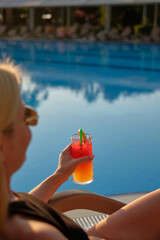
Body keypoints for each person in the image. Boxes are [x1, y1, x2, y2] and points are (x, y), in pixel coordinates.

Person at [0, 59, 99, 240]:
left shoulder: (6, 200)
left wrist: (61, 174)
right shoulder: (37, 235)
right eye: (26, 117)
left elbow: (25, 208)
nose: (32, 127)